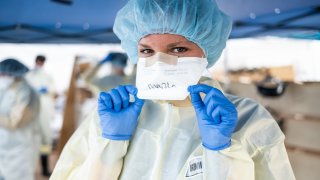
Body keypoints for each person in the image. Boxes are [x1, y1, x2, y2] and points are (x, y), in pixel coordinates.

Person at [51, 0, 295, 179]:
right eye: (147, 51)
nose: (160, 62)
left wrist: (222, 153)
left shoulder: (248, 118)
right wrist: (110, 145)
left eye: (178, 49)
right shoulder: (112, 116)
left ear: (206, 49)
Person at [0, 59, 40, 180]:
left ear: (12, 74)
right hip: (5, 146)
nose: (1, 77)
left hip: (20, 148)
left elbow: (15, 122)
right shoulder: (8, 89)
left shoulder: (26, 92)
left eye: (2, 74)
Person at [26, 55, 55, 177]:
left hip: (44, 112)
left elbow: (53, 90)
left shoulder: (47, 77)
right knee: (29, 141)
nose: (40, 63)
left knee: (45, 141)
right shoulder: (28, 75)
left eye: (42, 62)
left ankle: (44, 169)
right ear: (35, 61)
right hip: (31, 112)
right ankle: (29, 171)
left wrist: (47, 90)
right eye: (38, 61)